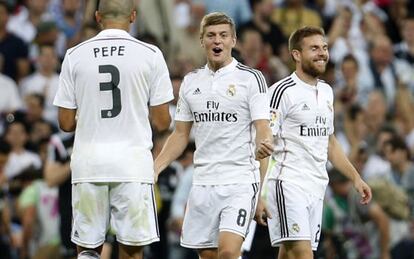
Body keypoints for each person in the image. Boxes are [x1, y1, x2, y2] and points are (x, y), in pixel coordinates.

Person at [52, 0, 174, 258]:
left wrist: (90, 116)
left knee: (87, 249)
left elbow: (64, 123)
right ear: (133, 16)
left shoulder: (75, 55)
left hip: (88, 163)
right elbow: (163, 122)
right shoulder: (150, 54)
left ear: (97, 17)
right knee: (131, 251)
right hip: (132, 165)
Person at [154, 12, 273, 259]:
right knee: (208, 256)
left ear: (233, 41)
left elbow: (263, 126)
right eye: (211, 36)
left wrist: (265, 142)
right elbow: (180, 135)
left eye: (223, 35)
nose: (217, 41)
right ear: (202, 41)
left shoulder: (251, 79)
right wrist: (155, 168)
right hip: (203, 182)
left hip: (239, 181)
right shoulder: (191, 82)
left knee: (228, 253)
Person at [265, 26, 372, 259]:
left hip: (316, 186)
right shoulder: (281, 92)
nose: (322, 53)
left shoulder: (326, 92)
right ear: (296, 54)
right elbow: (263, 144)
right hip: (288, 183)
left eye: (324, 47)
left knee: (289, 254)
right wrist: (257, 193)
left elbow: (330, 143)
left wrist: (355, 177)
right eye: (314, 48)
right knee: (304, 255)